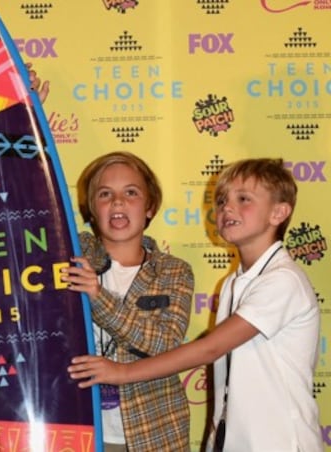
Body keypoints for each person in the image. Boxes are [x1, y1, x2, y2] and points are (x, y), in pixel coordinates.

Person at [68, 158, 322, 452]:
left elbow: (209, 348)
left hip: (279, 441)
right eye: (222, 200)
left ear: (279, 212)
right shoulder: (235, 281)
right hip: (235, 439)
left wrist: (119, 372)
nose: (227, 207)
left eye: (243, 199)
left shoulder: (283, 281)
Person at [62, 151, 194, 451]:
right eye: (105, 194)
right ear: (91, 209)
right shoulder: (70, 254)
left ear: (149, 207)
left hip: (154, 434)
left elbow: (165, 344)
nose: (118, 202)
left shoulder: (174, 271)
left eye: (131, 192)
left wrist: (98, 297)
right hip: (79, 430)